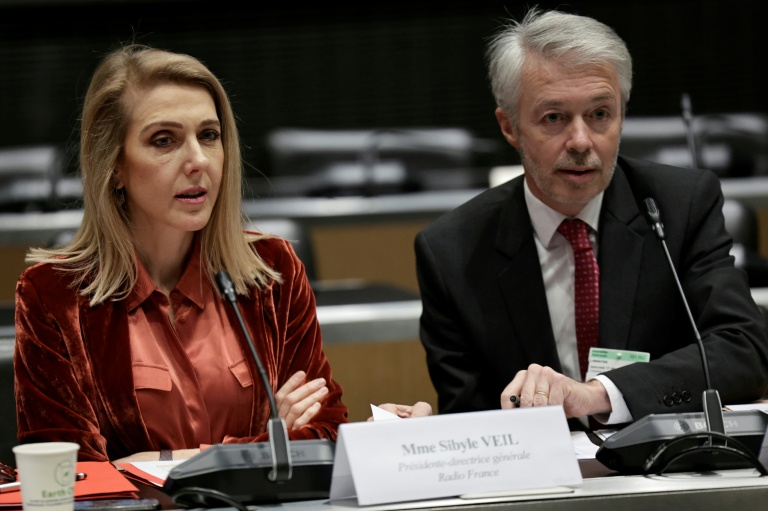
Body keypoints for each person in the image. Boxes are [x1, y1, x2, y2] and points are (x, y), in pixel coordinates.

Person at [414, 7, 768, 428]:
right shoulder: (453, 251)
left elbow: (744, 353)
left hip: (668, 469)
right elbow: (470, 416)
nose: (581, 141)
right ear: (509, 126)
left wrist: (599, 395)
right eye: (554, 118)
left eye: (600, 114)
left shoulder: (678, 206)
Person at [13, 43, 348, 462]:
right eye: (164, 140)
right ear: (113, 164)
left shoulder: (271, 269)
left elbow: (327, 434)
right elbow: (70, 476)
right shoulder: (53, 294)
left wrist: (155, 463)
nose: (197, 160)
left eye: (208, 136)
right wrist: (267, 446)